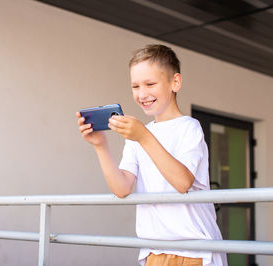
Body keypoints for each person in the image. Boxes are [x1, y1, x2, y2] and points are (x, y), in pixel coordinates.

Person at [77, 44, 227, 266]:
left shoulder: (189, 127)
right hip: (153, 250)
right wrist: (100, 146)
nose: (142, 94)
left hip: (195, 249)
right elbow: (122, 188)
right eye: (135, 86)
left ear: (175, 82)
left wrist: (144, 136)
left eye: (150, 84)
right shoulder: (138, 133)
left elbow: (183, 182)